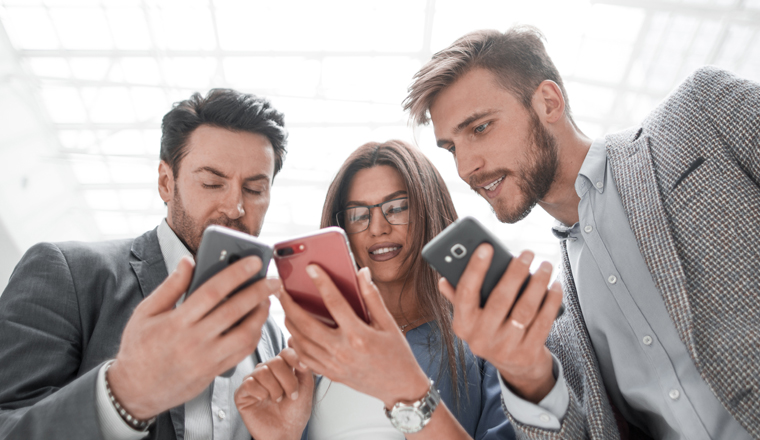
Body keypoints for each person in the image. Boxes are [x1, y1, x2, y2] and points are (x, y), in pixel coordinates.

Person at [403, 26, 760, 439]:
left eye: (480, 128)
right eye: (451, 148)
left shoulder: (698, 114)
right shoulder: (556, 322)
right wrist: (527, 375)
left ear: (548, 102)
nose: (466, 168)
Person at [0, 89, 290, 440]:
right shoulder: (68, 274)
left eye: (255, 189)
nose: (235, 207)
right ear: (166, 182)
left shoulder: (270, 334)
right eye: (212, 183)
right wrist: (125, 394)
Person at [233, 140, 516, 439]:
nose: (377, 228)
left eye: (396, 208)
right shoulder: (313, 353)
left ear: (428, 211)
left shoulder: (485, 336)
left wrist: (407, 392)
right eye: (358, 215)